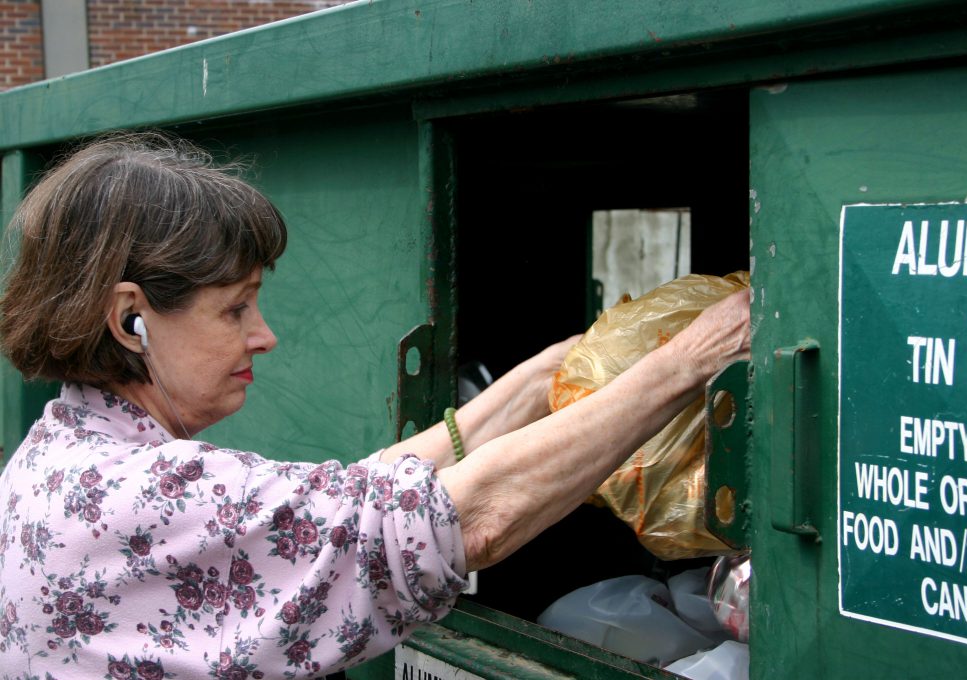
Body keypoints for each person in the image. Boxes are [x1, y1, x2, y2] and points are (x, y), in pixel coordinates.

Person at [0, 133, 749, 679]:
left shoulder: (60, 459)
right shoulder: (141, 493)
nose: (265, 337)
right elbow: (463, 521)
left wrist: (549, 373)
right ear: (131, 317)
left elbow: (347, 505)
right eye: (235, 309)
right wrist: (686, 365)